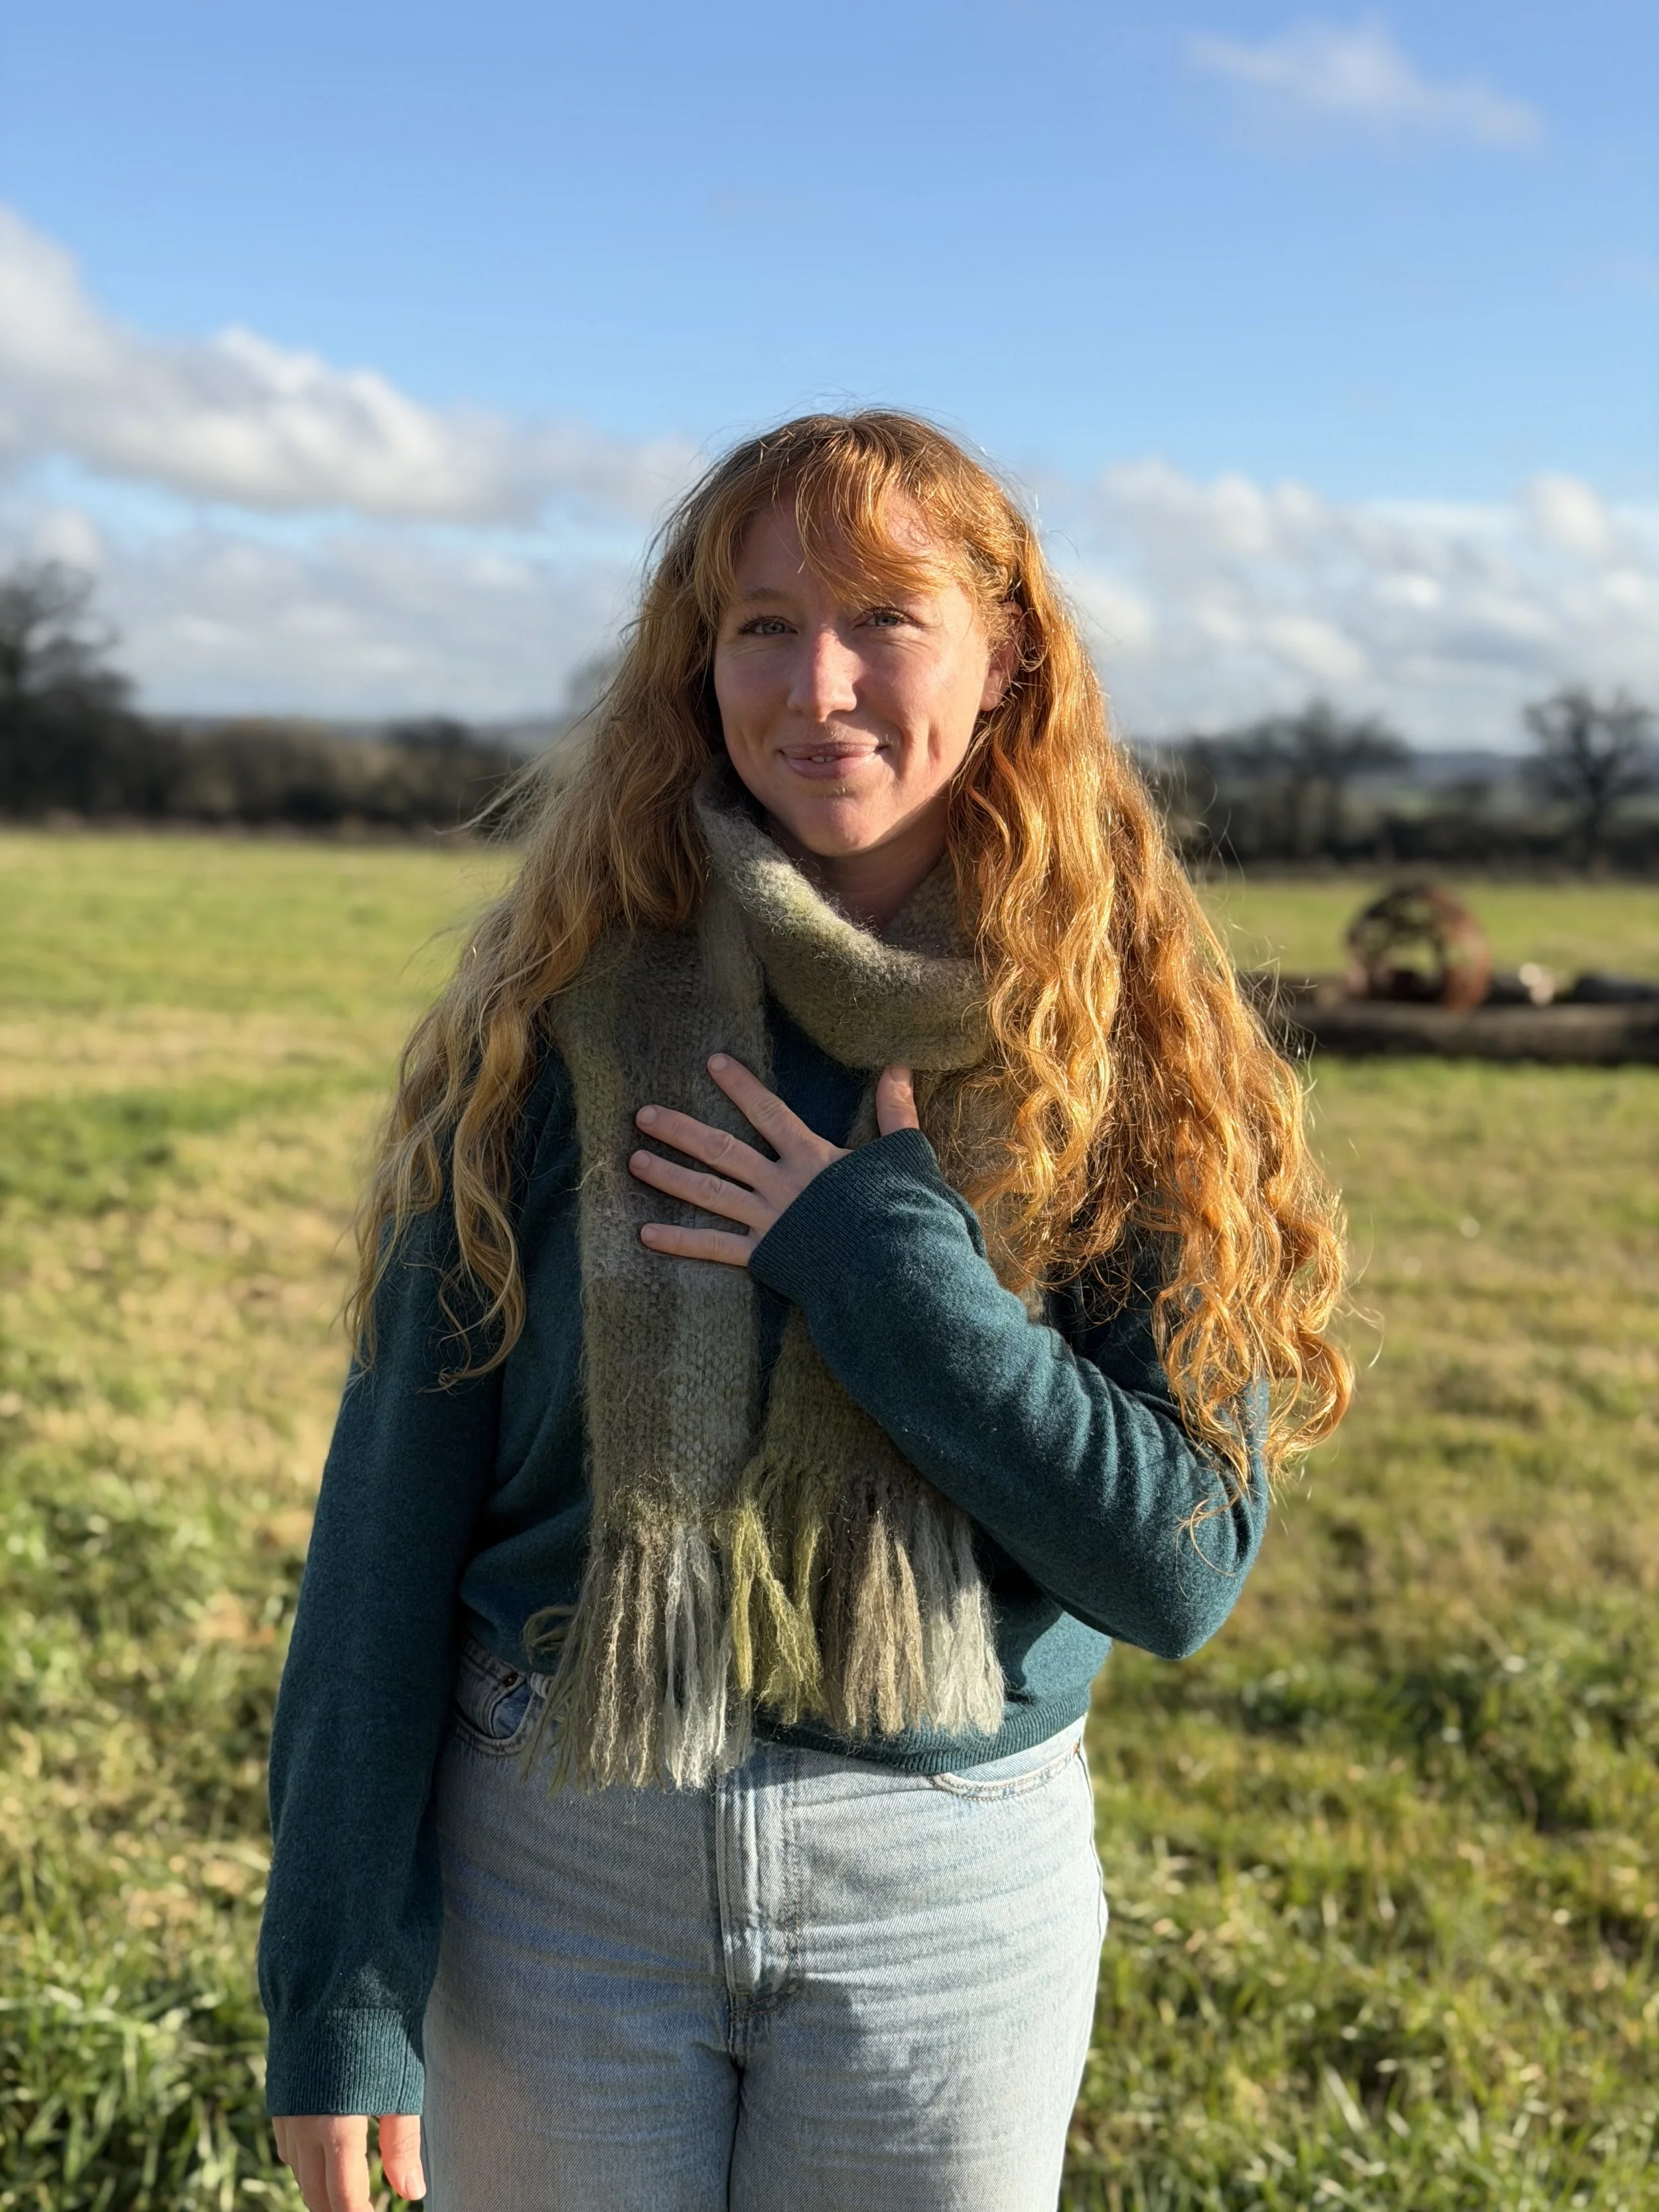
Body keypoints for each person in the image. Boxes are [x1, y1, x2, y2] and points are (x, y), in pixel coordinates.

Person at [259, 409, 1350, 2212]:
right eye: (761, 623)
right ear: (698, 670)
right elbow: (385, 1526)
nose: (816, 682)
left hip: (938, 1890)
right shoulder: (555, 1019)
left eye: (883, 618)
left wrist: (872, 1258)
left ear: (1003, 663)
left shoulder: (1127, 1055)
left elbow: (1177, 1565)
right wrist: (337, 1991)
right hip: (557, 1864)